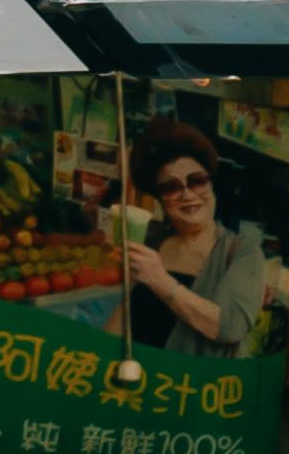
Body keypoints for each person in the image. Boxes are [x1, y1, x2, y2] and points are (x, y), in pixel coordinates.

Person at [108, 122, 278, 357]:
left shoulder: (243, 252)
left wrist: (159, 279)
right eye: (171, 187)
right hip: (137, 374)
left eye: (196, 180)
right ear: (161, 199)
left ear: (211, 183)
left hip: (188, 378)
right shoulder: (152, 242)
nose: (187, 194)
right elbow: (126, 313)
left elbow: (231, 327)